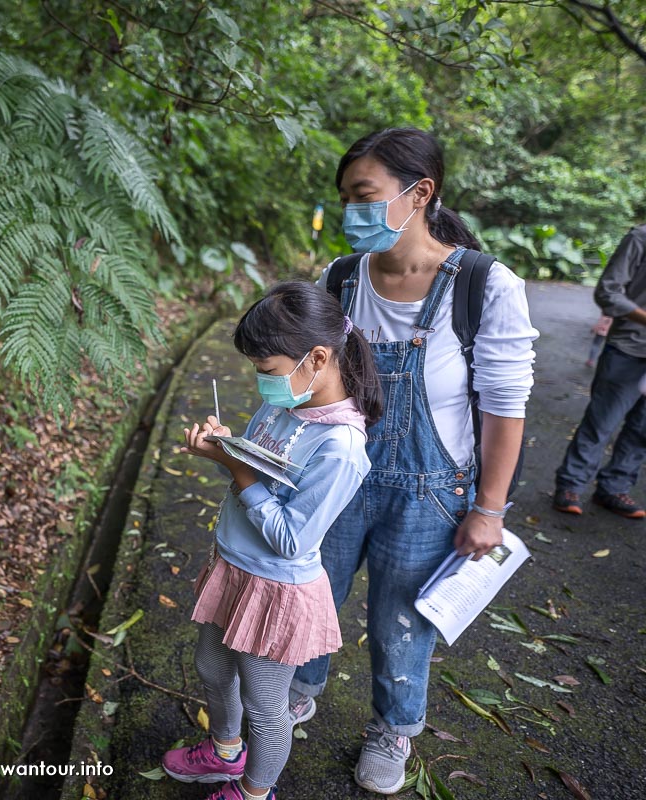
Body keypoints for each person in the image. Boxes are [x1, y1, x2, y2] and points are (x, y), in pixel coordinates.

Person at [288, 128, 537, 795]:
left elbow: (505, 408)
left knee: (402, 622)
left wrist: (489, 508)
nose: (349, 213)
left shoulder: (484, 285)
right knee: (311, 594)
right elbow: (313, 377)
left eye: (363, 195)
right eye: (344, 198)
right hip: (339, 479)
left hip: (430, 491)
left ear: (419, 193)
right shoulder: (341, 279)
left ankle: (393, 726)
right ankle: (299, 687)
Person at [161, 281, 380, 800]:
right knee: (211, 667)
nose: (262, 384)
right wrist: (227, 448)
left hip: (275, 587)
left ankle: (256, 792)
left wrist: (234, 468)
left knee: (266, 707)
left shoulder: (341, 448)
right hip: (234, 567)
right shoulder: (285, 406)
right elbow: (256, 469)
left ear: (318, 357)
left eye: (268, 371)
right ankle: (225, 752)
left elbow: (289, 539)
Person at [554, 224, 646, 518]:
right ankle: (570, 485)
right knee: (601, 422)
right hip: (629, 347)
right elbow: (608, 291)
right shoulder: (640, 237)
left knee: (642, 430)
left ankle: (614, 489)